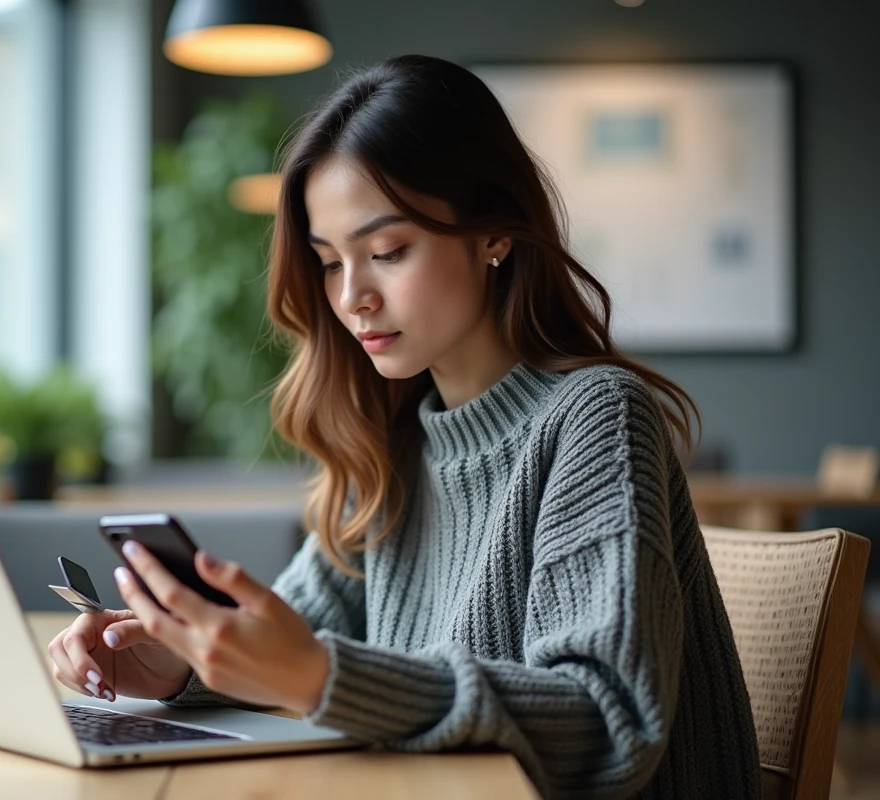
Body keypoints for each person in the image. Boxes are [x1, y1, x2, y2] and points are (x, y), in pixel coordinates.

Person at [48, 54, 760, 798]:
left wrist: (319, 674)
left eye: (387, 252)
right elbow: (297, 637)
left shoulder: (595, 417)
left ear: (493, 234)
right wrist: (179, 662)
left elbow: (605, 720)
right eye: (328, 262)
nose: (352, 296)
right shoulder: (393, 444)